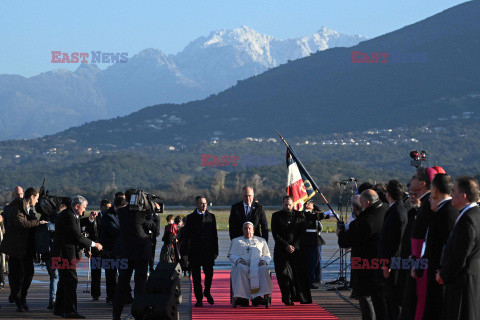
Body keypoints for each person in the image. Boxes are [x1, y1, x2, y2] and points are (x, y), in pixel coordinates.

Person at [337, 189, 387, 320]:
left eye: (362, 202)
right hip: (381, 260)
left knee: (366, 296)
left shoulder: (367, 220)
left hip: (366, 262)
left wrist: (340, 233)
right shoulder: (385, 209)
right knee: (379, 297)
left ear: (368, 202)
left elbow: (347, 241)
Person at [414, 174, 458, 319]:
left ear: (436, 189)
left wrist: (442, 271)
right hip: (434, 269)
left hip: (440, 272)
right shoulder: (442, 210)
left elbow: (445, 246)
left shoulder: (446, 212)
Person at [437, 176, 480, 319]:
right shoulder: (475, 214)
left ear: (464, 195)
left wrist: (444, 275)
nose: (450, 194)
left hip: (462, 282)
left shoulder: (467, 219)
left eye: (453, 191)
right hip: (470, 279)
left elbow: (461, 254)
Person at [53, 195, 103, 319]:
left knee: (64, 281)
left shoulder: (69, 214)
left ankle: (59, 309)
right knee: (71, 280)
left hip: (62, 253)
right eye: (83, 208)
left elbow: (77, 222)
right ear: (76, 206)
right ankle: (70, 311)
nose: (84, 210)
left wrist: (90, 219)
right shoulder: (68, 216)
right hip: (65, 254)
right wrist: (94, 244)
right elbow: (77, 236)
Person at [113, 189, 160, 320]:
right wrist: (155, 213)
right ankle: (139, 315)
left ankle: (116, 316)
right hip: (141, 254)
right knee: (140, 286)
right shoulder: (141, 214)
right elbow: (155, 229)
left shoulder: (121, 212)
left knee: (122, 286)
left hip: (125, 253)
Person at [0, 187, 47, 312]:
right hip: (15, 248)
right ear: (31, 197)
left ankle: (22, 297)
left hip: (26, 248)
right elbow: (21, 223)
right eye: (36, 199)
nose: (37, 202)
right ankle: (18, 299)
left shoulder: (30, 209)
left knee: (29, 273)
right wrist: (38, 223)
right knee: (16, 276)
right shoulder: (16, 207)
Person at [271, 195, 311, 305]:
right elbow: (275, 234)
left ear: (293, 204)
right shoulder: (276, 216)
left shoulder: (299, 215)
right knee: (284, 275)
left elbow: (302, 233)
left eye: (289, 204)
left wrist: (293, 245)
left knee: (296, 275)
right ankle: (286, 297)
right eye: (285, 204)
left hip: (296, 250)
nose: (288, 206)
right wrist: (286, 245)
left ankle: (297, 297)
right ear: (282, 204)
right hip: (281, 250)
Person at [378, 180, 407, 320]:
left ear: (388, 194)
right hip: (395, 263)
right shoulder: (398, 209)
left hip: (394, 265)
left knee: (393, 302)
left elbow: (395, 242)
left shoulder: (396, 212)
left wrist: (387, 264)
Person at [181, 196, 219, 307]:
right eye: (201, 203)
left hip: (208, 252)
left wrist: (215, 251)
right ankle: (199, 299)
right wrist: (185, 254)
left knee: (209, 275)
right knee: (196, 278)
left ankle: (207, 291)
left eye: (205, 203)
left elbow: (214, 235)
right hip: (195, 252)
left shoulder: (211, 217)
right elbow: (186, 237)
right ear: (196, 204)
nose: (204, 205)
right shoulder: (190, 218)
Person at [228, 222, 272, 306]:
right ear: (242, 230)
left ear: (254, 230)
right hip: (243, 265)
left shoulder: (261, 241)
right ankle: (242, 297)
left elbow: (267, 254)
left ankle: (258, 297)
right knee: (241, 269)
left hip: (257, 265)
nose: (247, 230)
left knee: (263, 269)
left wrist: (264, 261)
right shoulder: (236, 241)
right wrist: (239, 260)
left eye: (249, 228)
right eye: (245, 228)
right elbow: (231, 255)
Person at [99, 196, 127, 304]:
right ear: (115, 206)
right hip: (109, 251)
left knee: (122, 274)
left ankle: (121, 296)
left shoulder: (120, 215)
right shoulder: (108, 216)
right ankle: (111, 297)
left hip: (119, 250)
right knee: (111, 276)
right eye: (121, 208)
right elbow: (114, 232)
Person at [302, 200, 322, 289]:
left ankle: (316, 278)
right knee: (311, 261)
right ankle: (309, 280)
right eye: (310, 203)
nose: (312, 204)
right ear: (306, 205)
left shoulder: (313, 214)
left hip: (315, 238)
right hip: (309, 239)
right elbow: (311, 218)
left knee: (316, 260)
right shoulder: (305, 214)